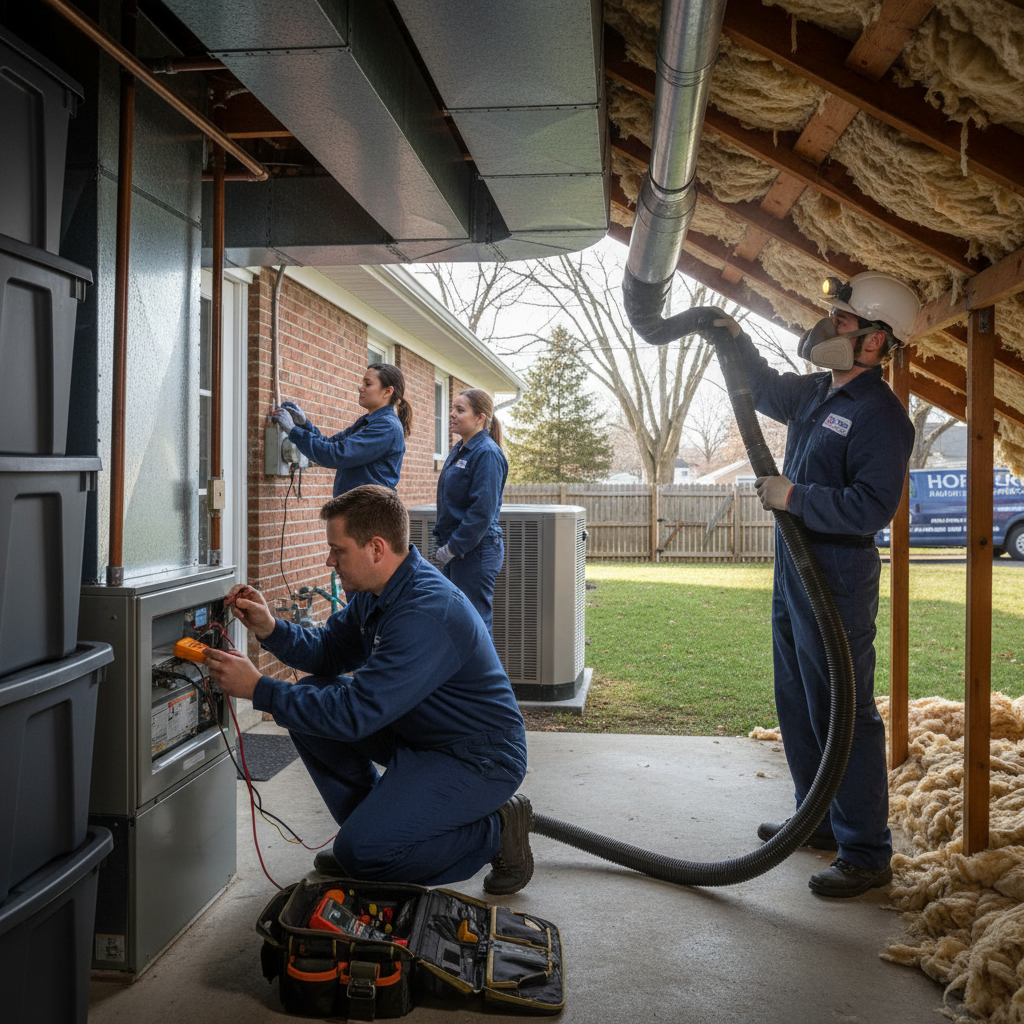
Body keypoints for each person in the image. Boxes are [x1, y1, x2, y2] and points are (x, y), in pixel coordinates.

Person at [205, 484, 534, 894]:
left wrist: (259, 689)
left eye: (338, 551)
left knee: (365, 852)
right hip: (417, 731)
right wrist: (270, 628)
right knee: (314, 695)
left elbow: (356, 713)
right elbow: (329, 651)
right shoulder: (378, 592)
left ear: (376, 548)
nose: (330, 560)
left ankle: (496, 831)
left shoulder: (427, 611)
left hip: (476, 755)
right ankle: (368, 838)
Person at [714, 271, 919, 898]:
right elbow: (766, 388)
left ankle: (865, 851)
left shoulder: (880, 416)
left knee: (845, 710)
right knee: (799, 695)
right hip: (796, 564)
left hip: (836, 572)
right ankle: (818, 819)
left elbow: (869, 507)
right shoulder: (816, 392)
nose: (830, 324)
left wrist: (793, 496)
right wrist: (731, 335)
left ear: (877, 342)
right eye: (833, 313)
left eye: (845, 319)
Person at [432, 389, 509, 634]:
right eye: (452, 408)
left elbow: (481, 513)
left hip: (475, 552)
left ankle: (485, 674)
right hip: (456, 550)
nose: (452, 414)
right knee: (455, 623)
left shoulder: (486, 453)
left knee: (474, 625)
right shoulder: (460, 449)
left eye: (460, 410)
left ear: (480, 418)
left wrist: (452, 548)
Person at [271, 363, 410, 495]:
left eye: (368, 384)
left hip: (369, 512)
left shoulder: (386, 427)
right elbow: (330, 444)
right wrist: (303, 424)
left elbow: (336, 454)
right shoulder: (367, 422)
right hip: (358, 509)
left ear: (387, 392)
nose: (360, 388)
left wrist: (293, 430)